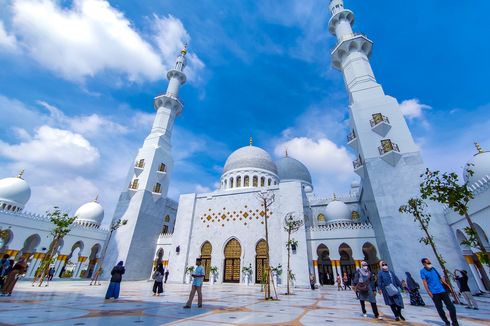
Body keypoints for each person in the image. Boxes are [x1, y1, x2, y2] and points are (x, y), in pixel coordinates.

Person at [420, 258, 458, 326]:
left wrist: (448, 285)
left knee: (451, 307)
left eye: (429, 262)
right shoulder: (422, 271)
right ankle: (446, 322)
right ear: (424, 264)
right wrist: (428, 291)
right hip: (434, 293)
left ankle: (455, 322)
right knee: (439, 308)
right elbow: (424, 282)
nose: (429, 264)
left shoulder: (433, 269)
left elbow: (440, 277)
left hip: (442, 291)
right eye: (427, 263)